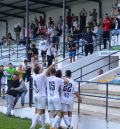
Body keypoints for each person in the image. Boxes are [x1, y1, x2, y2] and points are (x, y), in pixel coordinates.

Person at [30, 65, 46, 129]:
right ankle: (32, 126)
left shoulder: (34, 75)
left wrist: (32, 62)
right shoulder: (41, 75)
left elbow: (34, 68)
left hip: (36, 95)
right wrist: (52, 64)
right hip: (41, 96)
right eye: (41, 68)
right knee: (39, 112)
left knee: (39, 111)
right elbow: (47, 70)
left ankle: (43, 126)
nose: (42, 68)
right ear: (39, 71)